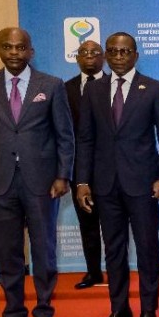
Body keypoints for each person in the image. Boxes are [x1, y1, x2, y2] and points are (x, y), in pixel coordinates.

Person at [0, 27, 74, 317]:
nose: (14, 52)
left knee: (43, 250)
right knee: (6, 252)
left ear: (31, 51)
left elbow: (65, 136)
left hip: (42, 183)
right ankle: (13, 315)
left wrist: (63, 175)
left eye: (20, 47)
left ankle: (44, 313)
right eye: (8, 47)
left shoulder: (51, 85)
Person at [76, 32, 159, 317]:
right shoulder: (93, 90)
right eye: (113, 51)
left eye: (125, 51)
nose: (119, 57)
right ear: (106, 56)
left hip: (143, 184)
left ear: (135, 55)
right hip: (105, 185)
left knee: (147, 248)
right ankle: (119, 309)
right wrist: (82, 181)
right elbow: (85, 139)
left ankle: (148, 309)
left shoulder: (154, 88)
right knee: (114, 250)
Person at [65, 40, 106, 289]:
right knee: (87, 223)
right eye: (83, 52)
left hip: (110, 168)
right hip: (78, 168)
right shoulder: (65, 88)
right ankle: (93, 272)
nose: (89, 56)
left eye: (94, 52)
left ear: (103, 57)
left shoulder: (115, 85)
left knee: (114, 224)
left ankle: (118, 270)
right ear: (77, 58)